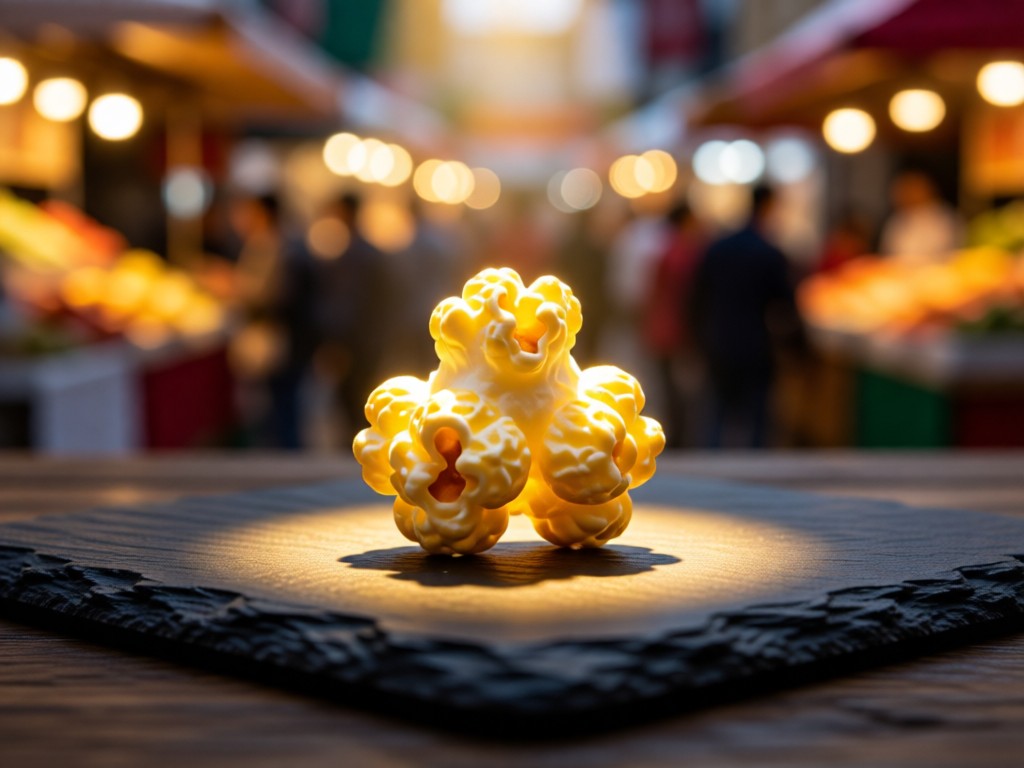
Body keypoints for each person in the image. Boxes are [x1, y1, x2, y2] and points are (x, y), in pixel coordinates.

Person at [691, 185, 802, 448]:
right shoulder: (768, 252)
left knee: (716, 416)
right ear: (768, 206)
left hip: (718, 341)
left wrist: (698, 339)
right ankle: (755, 479)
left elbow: (696, 299)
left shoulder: (717, 248)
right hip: (755, 344)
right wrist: (798, 347)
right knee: (758, 422)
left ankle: (710, 475)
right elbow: (786, 305)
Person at [229, 193, 316, 449]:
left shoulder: (273, 246)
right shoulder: (283, 243)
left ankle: (286, 466)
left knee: (282, 409)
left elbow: (271, 294)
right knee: (283, 408)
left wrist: (232, 287)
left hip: (282, 339)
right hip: (288, 337)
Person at [315, 192, 389, 445]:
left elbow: (348, 305)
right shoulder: (369, 252)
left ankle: (358, 453)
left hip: (356, 342)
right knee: (357, 402)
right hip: (368, 340)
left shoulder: (354, 254)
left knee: (353, 404)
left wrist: (336, 342)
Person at [642, 203, 704, 448]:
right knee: (681, 387)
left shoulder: (665, 250)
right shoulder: (686, 253)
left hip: (662, 326)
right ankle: (682, 436)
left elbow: (653, 291)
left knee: (669, 386)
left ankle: (678, 434)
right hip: (678, 329)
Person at [879, 171, 961, 264]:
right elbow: (887, 254)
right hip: (898, 273)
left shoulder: (944, 217)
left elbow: (949, 253)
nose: (907, 194)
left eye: (912, 189)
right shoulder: (896, 220)